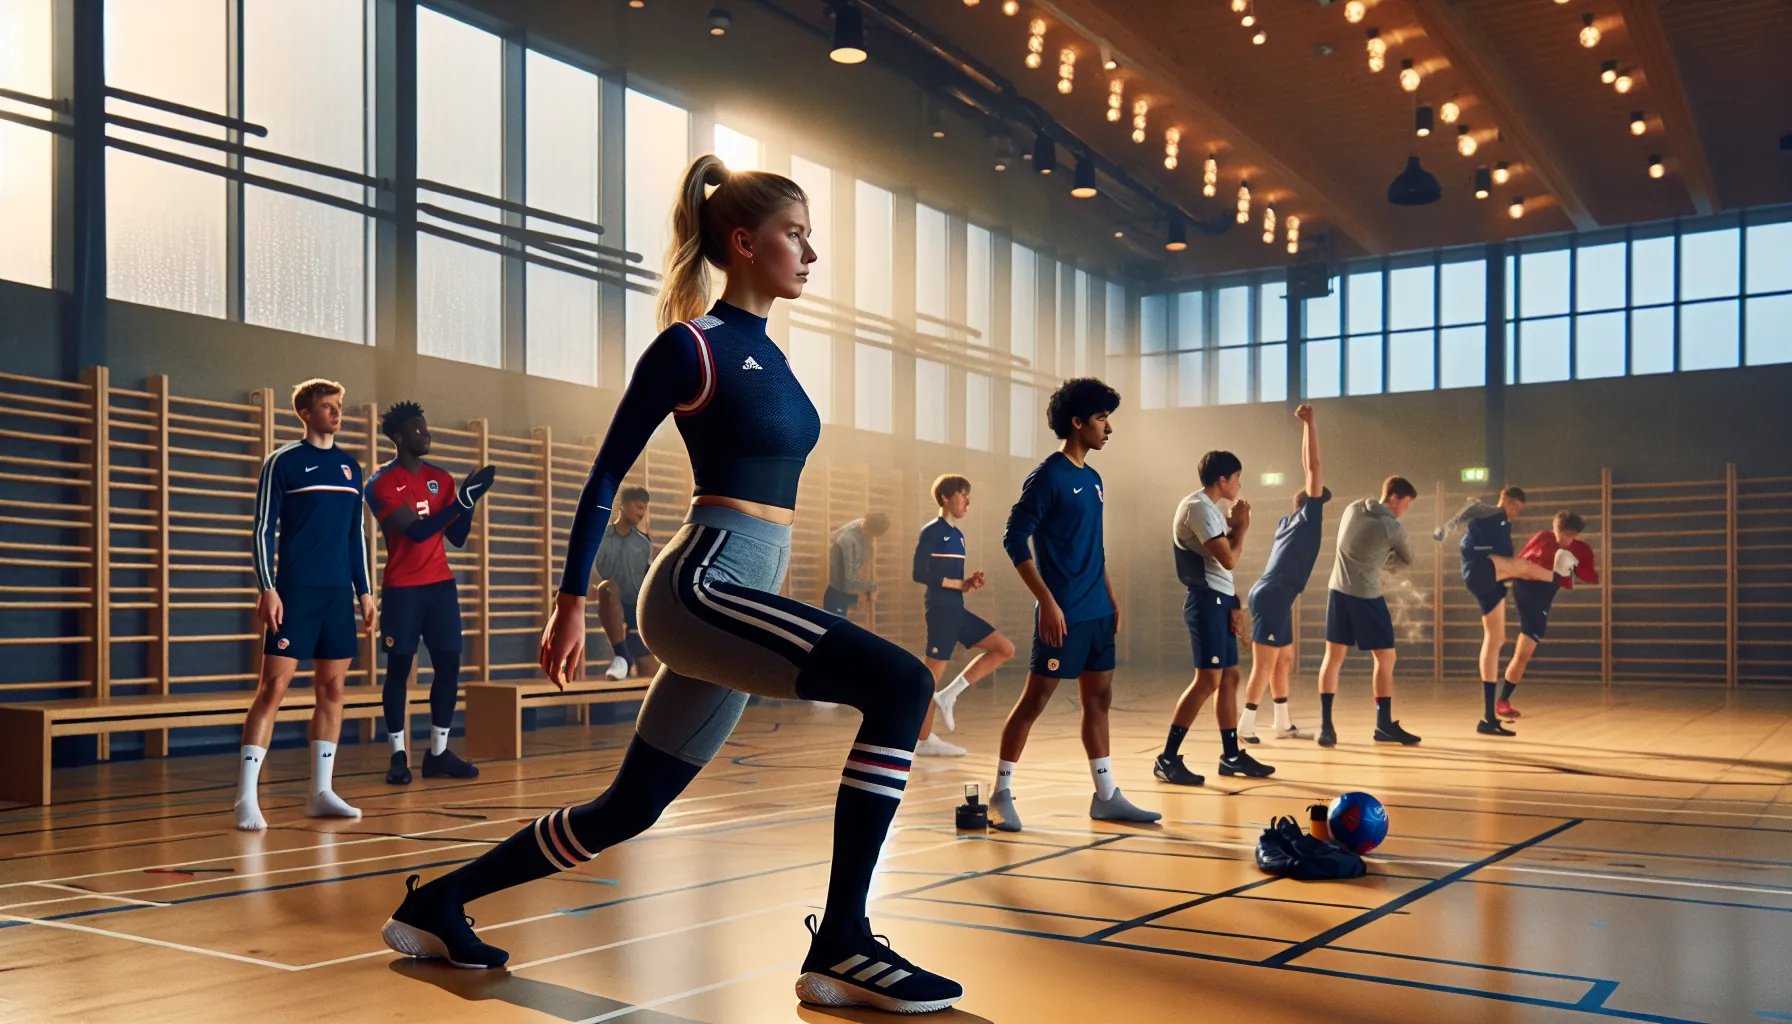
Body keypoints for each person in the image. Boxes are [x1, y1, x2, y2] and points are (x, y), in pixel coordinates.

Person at [380, 155, 960, 1014]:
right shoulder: (692, 346)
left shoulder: (772, 355)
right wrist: (571, 601)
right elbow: (605, 477)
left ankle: (437, 904)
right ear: (742, 241)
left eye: (809, 235)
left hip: (738, 591)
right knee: (903, 683)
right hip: (699, 585)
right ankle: (842, 942)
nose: (810, 252)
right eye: (795, 234)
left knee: (632, 807)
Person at [987, 378, 1160, 832]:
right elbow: (1013, 537)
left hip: (1098, 611)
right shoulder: (1049, 476)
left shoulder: (1094, 478)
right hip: (1062, 614)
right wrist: (1045, 600)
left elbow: (1094, 547)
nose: (1109, 429)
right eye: (1102, 419)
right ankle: (1000, 794)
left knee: (1099, 700)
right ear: (1078, 422)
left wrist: (1111, 595)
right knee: (1034, 702)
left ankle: (1106, 796)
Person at [235, 379, 376, 830]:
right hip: (295, 593)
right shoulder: (283, 463)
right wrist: (267, 586)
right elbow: (261, 529)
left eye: (339, 406)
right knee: (273, 691)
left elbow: (356, 535)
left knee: (332, 692)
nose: (337, 413)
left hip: (338, 596)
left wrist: (366, 591)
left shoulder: (351, 468)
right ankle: (245, 798)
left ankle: (320, 792)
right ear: (306, 414)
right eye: (328, 407)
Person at [365, 402, 496, 785]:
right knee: (400, 670)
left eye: (428, 429)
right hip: (403, 589)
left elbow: (455, 537)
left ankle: (437, 753)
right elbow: (418, 532)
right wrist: (460, 503)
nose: (427, 436)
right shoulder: (380, 484)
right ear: (399, 438)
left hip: (440, 586)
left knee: (449, 666)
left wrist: (467, 505)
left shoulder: (442, 478)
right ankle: (398, 756)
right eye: (419, 431)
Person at [1154, 448, 1275, 786]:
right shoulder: (1198, 508)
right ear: (1223, 480)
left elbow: (1224, 569)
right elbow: (1229, 559)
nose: (1239, 484)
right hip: (1205, 601)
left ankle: (1231, 756)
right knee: (1207, 681)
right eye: (1237, 478)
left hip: (1220, 600)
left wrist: (1234, 603)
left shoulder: (1212, 511)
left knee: (1231, 677)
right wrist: (1242, 527)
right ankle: (1167, 758)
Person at [1240, 403, 1328, 746]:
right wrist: (1310, 423)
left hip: (1277, 594)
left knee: (1284, 659)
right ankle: (1245, 726)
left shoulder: (1287, 521)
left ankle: (1282, 723)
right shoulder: (1308, 516)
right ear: (1310, 501)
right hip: (1274, 595)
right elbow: (1313, 466)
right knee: (1264, 664)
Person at [910, 474, 1016, 757]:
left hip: (957, 609)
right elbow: (920, 573)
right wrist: (957, 584)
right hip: (941, 611)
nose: (967, 500)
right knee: (929, 677)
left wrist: (967, 584)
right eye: (962, 494)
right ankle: (923, 740)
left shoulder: (959, 536)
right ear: (945, 498)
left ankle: (949, 696)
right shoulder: (932, 531)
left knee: (1004, 648)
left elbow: (949, 578)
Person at [1317, 476, 1421, 748]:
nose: (1405, 510)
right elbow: (1408, 557)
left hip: (1337, 590)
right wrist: (1387, 561)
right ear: (1395, 498)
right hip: (1366, 596)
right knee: (1386, 656)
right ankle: (1383, 725)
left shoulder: (1352, 508)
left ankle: (1326, 728)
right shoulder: (1391, 526)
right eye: (1406, 504)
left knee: (1333, 658)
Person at [1452, 485, 1555, 737]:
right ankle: (1559, 577)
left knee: (1496, 639)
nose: (1515, 512)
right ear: (1504, 500)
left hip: (1490, 580)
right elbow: (1473, 507)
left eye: (1519, 509)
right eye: (1514, 506)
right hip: (1480, 569)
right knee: (1525, 567)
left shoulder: (1502, 525)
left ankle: (1488, 718)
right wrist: (1449, 524)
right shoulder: (1493, 514)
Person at [1493, 510, 1599, 728]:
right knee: (1525, 649)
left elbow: (1589, 575)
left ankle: (1503, 700)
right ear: (1555, 529)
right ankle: (1501, 700)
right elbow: (1525, 566)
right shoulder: (1545, 539)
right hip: (1529, 589)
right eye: (1563, 535)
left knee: (1524, 653)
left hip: (1543, 595)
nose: (1566, 541)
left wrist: (1575, 570)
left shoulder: (1575, 548)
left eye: (1571, 537)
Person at [593, 485, 658, 681]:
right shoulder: (601, 537)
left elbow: (648, 579)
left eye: (645, 508)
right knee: (609, 588)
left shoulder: (644, 543)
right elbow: (592, 574)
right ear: (623, 505)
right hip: (610, 599)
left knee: (650, 675)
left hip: (635, 610)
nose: (642, 513)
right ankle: (622, 655)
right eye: (639, 506)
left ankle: (629, 653)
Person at [824, 512, 889, 617]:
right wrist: (871, 588)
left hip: (847, 587)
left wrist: (863, 592)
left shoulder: (865, 528)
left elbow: (866, 562)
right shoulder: (847, 540)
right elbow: (849, 580)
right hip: (838, 591)